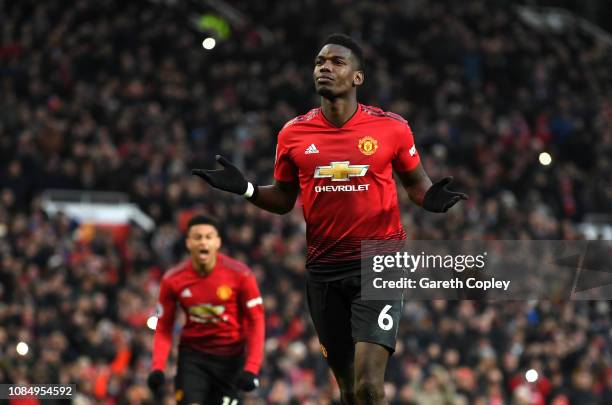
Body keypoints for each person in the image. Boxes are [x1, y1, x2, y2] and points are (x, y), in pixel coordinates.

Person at [192, 34, 467, 405]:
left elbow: (418, 184)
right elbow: (284, 199)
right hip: (323, 270)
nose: (324, 67)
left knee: (370, 386)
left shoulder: (391, 128)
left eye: (337, 62)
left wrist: (430, 199)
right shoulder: (293, 133)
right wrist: (246, 189)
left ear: (357, 77)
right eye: (320, 61)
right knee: (350, 390)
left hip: (379, 260)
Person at [147, 215, 265, 405]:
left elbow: (256, 321)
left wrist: (252, 367)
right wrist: (158, 366)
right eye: (198, 237)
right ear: (188, 243)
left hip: (231, 359)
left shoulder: (241, 275)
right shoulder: (173, 280)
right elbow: (164, 326)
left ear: (217, 242)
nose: (203, 241)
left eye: (209, 237)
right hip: (193, 357)